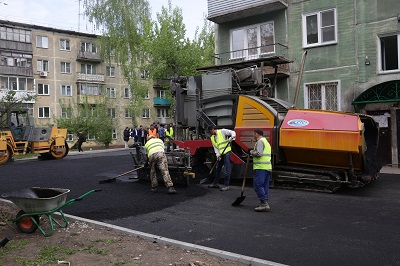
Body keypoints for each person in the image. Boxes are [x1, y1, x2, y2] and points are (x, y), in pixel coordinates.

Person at [207, 125, 236, 191]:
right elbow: (215, 148)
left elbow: (233, 132)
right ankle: (215, 183)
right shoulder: (212, 138)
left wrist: (232, 137)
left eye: (210, 131)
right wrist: (218, 155)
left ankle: (226, 185)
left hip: (227, 152)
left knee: (226, 169)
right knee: (218, 168)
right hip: (221, 154)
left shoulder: (222, 131)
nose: (210, 132)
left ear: (213, 129)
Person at [250, 128, 272, 212]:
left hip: (260, 167)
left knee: (257, 184)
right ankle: (264, 202)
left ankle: (264, 203)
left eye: (254, 134)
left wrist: (252, 152)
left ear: (256, 134)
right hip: (267, 167)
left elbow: (259, 153)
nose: (253, 136)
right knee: (264, 185)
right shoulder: (266, 142)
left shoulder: (260, 142)